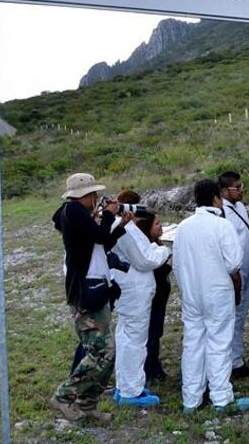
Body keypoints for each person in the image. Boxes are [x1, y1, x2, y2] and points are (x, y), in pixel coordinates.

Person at [50, 173, 128, 422]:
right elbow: (99, 236)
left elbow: (100, 242)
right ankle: (64, 396)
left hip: (94, 285)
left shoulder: (75, 215)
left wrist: (120, 225)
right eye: (93, 195)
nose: (96, 199)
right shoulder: (73, 212)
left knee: (106, 350)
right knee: (100, 351)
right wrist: (107, 216)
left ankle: (87, 404)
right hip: (86, 289)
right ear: (84, 196)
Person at [174, 179, 249, 414]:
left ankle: (191, 399)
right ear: (217, 198)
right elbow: (234, 262)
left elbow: (177, 264)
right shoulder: (221, 225)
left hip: (191, 293)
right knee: (219, 343)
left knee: (193, 343)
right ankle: (221, 398)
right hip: (217, 292)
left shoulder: (183, 227)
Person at [110, 191, 171, 407]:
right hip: (134, 292)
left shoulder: (124, 227)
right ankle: (131, 392)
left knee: (126, 338)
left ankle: (126, 385)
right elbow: (145, 260)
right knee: (135, 341)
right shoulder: (123, 229)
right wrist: (164, 251)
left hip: (129, 290)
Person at [219, 171, 249, 380]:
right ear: (224, 190)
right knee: (232, 314)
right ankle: (232, 361)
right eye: (237, 188)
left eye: (242, 186)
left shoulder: (240, 207)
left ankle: (237, 354)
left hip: (247, 267)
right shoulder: (222, 213)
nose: (241, 191)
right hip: (234, 271)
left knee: (241, 314)